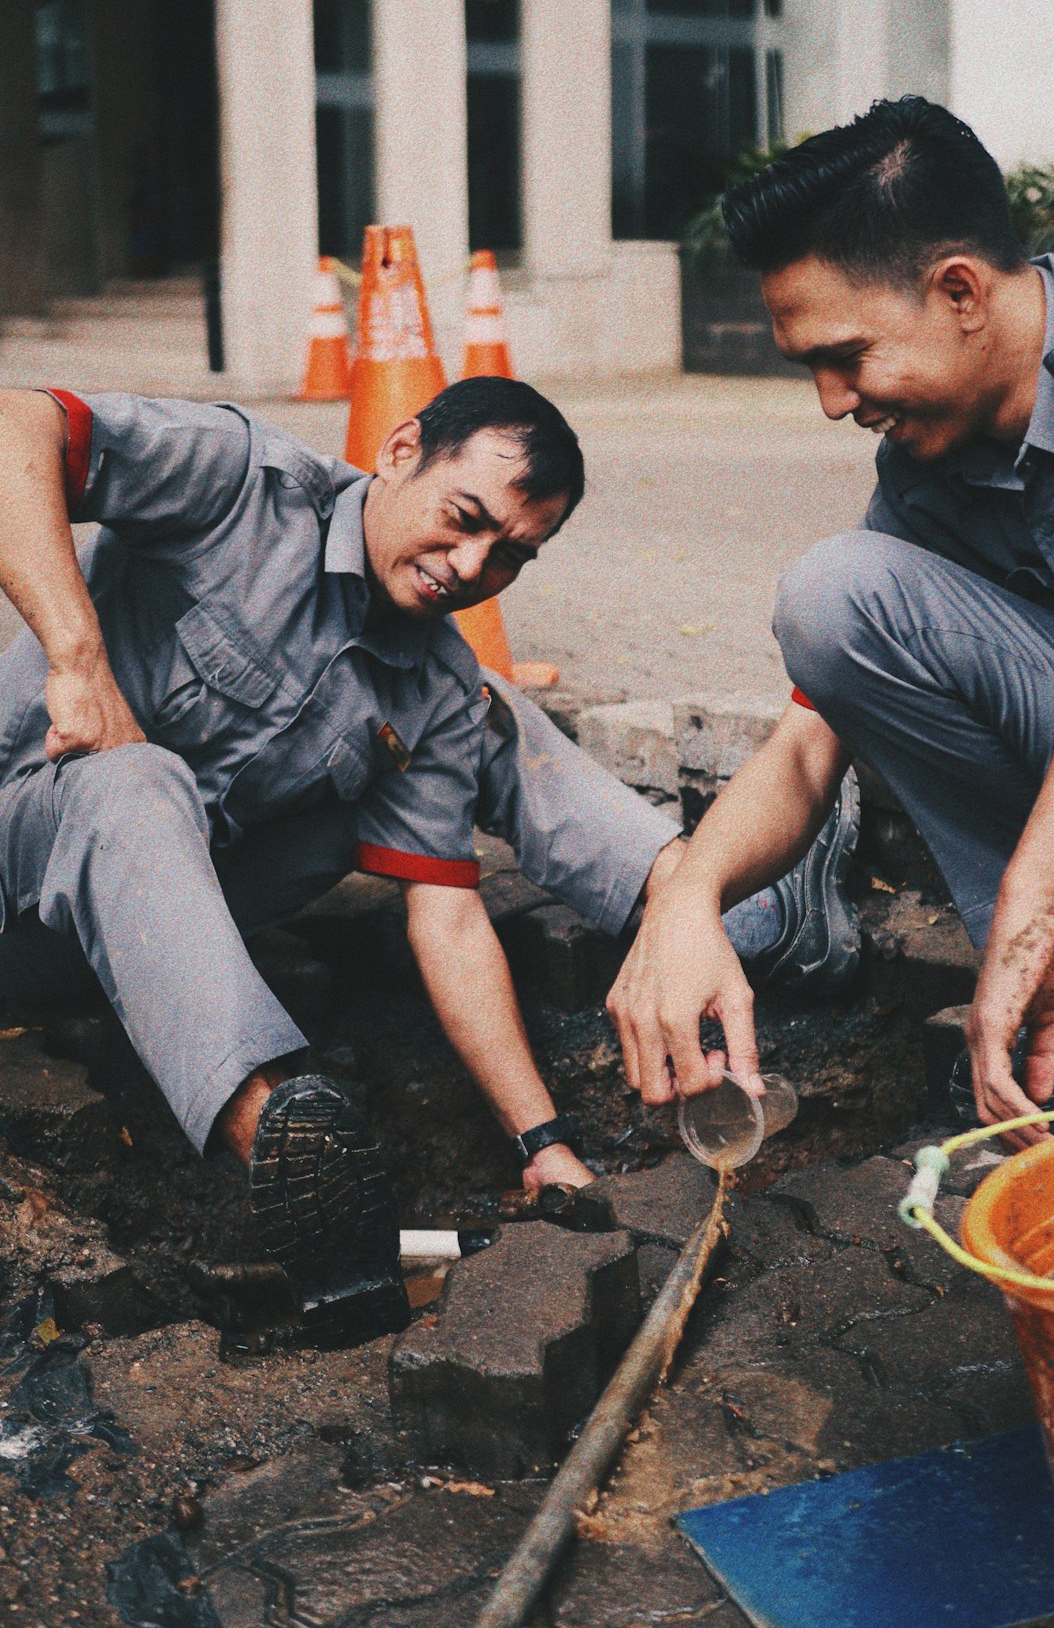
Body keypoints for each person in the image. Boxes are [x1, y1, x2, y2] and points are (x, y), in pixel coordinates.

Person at [0, 376, 858, 1331]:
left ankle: (733, 901)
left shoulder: (434, 681)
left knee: (471, 705)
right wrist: (77, 658)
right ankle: (280, 1152)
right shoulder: (241, 482)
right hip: (16, 871)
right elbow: (10, 423)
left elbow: (447, 918)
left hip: (129, 942)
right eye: (464, 518)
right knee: (135, 780)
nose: (471, 565)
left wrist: (543, 1142)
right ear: (401, 449)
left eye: (511, 556)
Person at [609, 95, 1054, 1152]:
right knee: (837, 597)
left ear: (960, 291)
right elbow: (807, 745)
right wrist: (685, 898)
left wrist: (1031, 888)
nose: (833, 402)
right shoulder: (931, 472)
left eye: (846, 355)